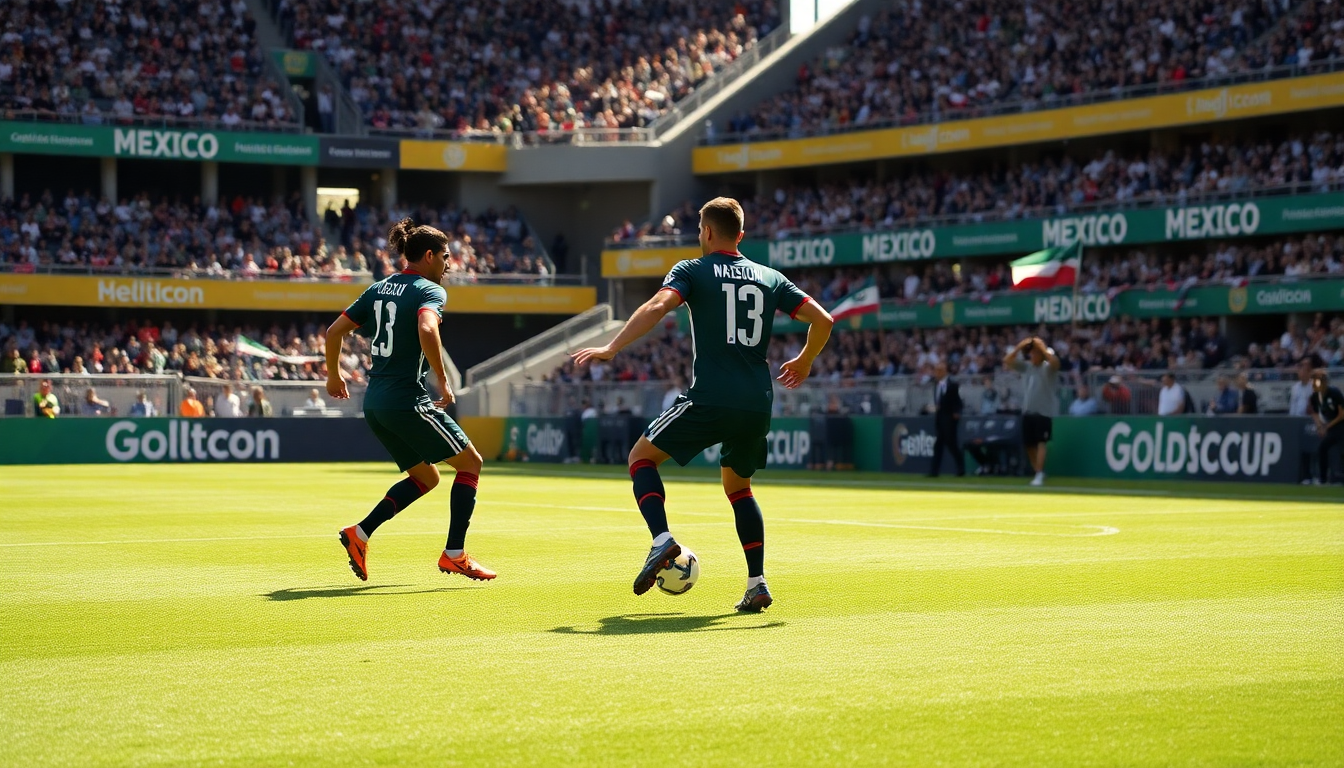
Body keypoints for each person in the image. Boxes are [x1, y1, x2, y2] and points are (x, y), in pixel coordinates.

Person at [571, 197, 834, 613]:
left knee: (641, 458)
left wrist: (612, 346)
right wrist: (804, 360)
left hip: (711, 396)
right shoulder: (769, 276)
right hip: (757, 402)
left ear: (707, 233)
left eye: (699, 231)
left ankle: (661, 540)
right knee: (740, 489)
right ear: (741, 235)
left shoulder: (693, 269)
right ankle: (757, 582)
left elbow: (658, 306)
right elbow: (824, 321)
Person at [326, 217, 493, 583]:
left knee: (426, 476)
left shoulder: (378, 288)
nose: (449, 265)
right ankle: (455, 554)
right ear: (429, 256)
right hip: (407, 399)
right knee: (471, 464)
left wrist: (333, 374)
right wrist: (445, 382)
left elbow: (333, 331)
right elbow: (427, 327)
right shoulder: (429, 290)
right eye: (446, 257)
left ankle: (360, 533)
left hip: (376, 403)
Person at [1005, 337, 1059, 486]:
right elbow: (1007, 361)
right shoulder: (1027, 367)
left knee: (1041, 442)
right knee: (1029, 444)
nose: (1032, 356)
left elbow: (1055, 362)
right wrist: (1019, 347)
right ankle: (1038, 472)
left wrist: (1041, 348)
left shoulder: (1048, 368)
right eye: (1031, 353)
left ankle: (1039, 473)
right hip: (1028, 411)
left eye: (1035, 353)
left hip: (1044, 411)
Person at [928, 361, 964, 477]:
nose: (936, 373)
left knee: (951, 444)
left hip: (949, 418)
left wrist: (957, 412)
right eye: (936, 370)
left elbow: (958, 401)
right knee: (938, 445)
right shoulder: (936, 385)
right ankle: (934, 472)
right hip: (940, 418)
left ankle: (960, 468)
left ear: (944, 371)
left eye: (939, 370)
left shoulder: (952, 384)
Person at [1308, 370, 1344, 485]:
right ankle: (1323, 479)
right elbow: (1313, 412)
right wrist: (1319, 426)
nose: (1313, 385)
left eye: (1316, 382)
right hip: (1332, 426)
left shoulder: (1334, 393)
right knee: (1322, 449)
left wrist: (1326, 426)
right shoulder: (1314, 396)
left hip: (1341, 424)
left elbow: (1342, 414)